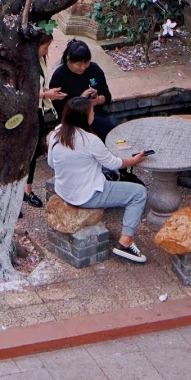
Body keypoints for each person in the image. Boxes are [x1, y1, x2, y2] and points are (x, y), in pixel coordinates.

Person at [46, 97, 150, 263]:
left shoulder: (56, 133)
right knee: (139, 193)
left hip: (64, 190)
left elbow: (51, 163)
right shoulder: (91, 141)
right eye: (91, 111)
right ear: (84, 117)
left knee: (104, 172)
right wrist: (136, 160)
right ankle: (125, 243)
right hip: (87, 195)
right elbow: (115, 163)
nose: (93, 113)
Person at [23, 33, 66, 208]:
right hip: (26, 113)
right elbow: (24, 92)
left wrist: (48, 92)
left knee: (33, 152)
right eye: (45, 47)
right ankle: (16, 194)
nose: (46, 51)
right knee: (23, 153)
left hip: (38, 110)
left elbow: (39, 87)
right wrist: (45, 94)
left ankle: (27, 190)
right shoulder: (24, 64)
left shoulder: (40, 61)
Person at [47, 39, 114, 140]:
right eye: (78, 65)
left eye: (86, 63)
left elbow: (107, 95)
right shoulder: (60, 76)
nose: (83, 68)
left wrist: (98, 100)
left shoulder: (94, 69)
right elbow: (60, 109)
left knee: (108, 129)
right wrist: (80, 100)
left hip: (95, 115)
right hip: (72, 121)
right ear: (68, 60)